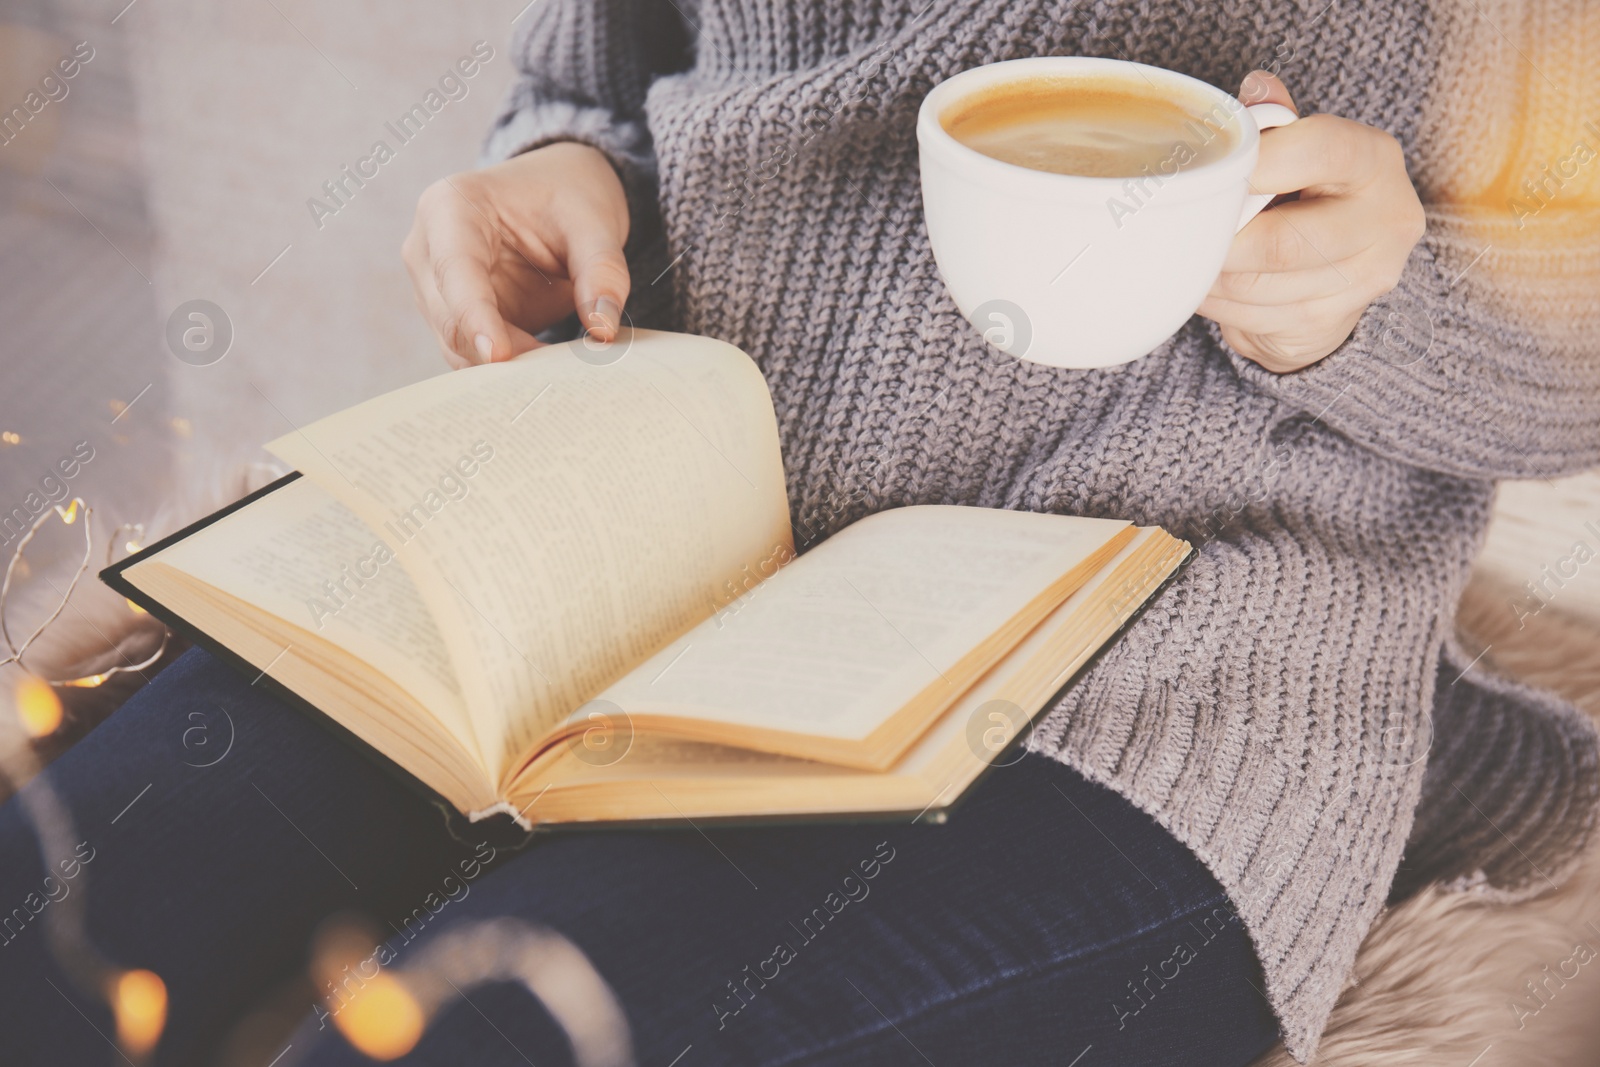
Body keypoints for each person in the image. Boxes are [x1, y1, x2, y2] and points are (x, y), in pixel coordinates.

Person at [3, 2, 1597, 1065]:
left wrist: (1370, 306)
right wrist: (563, 168)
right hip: (626, 517)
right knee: (47, 932)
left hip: (1156, 666)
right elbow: (602, 66)